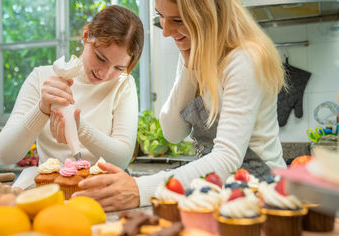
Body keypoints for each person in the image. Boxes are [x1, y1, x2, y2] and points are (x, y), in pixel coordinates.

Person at [73, 0, 287, 211]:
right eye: (161, 16)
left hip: (261, 191)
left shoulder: (244, 59)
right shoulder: (198, 53)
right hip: (218, 191)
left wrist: (140, 189)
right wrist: (188, 66)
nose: (165, 31)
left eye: (177, 19)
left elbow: (227, 158)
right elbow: (172, 132)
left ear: (208, 14)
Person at [0, 5, 144, 170]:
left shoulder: (123, 85)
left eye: (118, 68)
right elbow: (6, 155)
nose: (105, 73)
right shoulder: (42, 78)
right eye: (101, 58)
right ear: (86, 36)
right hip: (49, 191)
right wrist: (42, 109)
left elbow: (122, 159)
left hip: (101, 192)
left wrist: (79, 127)